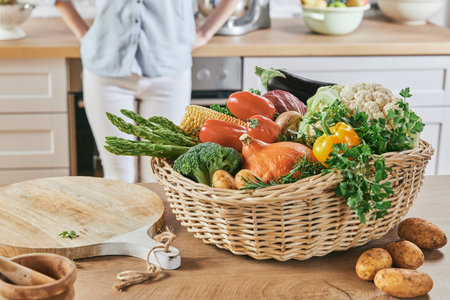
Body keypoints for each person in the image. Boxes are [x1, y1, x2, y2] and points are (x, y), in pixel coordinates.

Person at [53, 0, 241, 183]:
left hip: (169, 73)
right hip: (106, 69)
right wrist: (82, 33)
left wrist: (204, 34)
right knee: (118, 176)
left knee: (158, 175)